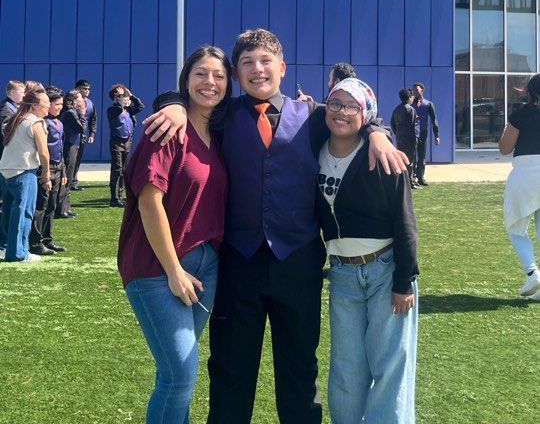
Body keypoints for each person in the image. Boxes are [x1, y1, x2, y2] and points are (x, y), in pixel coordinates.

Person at [144, 28, 407, 424]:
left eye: (265, 61)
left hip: (298, 264)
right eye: (246, 63)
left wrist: (378, 133)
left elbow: (352, 116)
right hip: (237, 264)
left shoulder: (314, 117)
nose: (257, 69)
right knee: (231, 369)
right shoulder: (222, 115)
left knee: (299, 369)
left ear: (282, 68)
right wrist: (174, 104)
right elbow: (193, 97)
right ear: (236, 73)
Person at [117, 46, 231, 424]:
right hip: (157, 266)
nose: (209, 82)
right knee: (180, 372)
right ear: (186, 80)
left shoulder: (218, 133)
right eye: (201, 73)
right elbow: (150, 202)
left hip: (206, 265)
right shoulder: (167, 129)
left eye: (218, 75)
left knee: (176, 373)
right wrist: (173, 270)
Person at [317, 78, 419, 424]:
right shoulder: (313, 145)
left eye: (351, 106)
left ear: (366, 113)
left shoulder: (383, 154)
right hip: (343, 274)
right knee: (346, 370)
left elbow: (405, 220)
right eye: (334, 103)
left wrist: (404, 280)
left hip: (386, 270)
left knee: (389, 368)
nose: (341, 112)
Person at [499, 73, 540, 301]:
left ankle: (532, 271)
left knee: (516, 227)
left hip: (525, 174)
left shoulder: (521, 114)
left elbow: (505, 148)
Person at [0, 88, 51, 262]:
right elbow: (44, 152)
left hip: (6, 171)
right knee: (24, 213)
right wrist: (46, 175)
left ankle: (7, 248)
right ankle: (18, 253)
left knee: (9, 212)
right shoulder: (35, 122)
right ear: (35, 105)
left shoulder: (17, 118)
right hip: (23, 172)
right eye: (46, 103)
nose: (49, 106)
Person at [29, 87, 68, 255]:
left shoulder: (59, 122)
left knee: (52, 204)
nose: (60, 107)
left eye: (61, 104)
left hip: (58, 167)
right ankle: (36, 243)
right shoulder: (42, 122)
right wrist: (45, 172)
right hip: (46, 167)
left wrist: (64, 171)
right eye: (56, 104)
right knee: (41, 205)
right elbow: (42, 149)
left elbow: (61, 147)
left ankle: (47, 239)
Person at [107, 84, 144, 207]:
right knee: (117, 169)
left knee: (124, 169)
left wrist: (132, 96)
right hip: (116, 142)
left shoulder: (128, 110)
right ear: (116, 98)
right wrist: (119, 97)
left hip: (127, 142)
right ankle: (114, 197)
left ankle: (121, 195)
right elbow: (118, 109)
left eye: (125, 97)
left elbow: (140, 106)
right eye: (122, 97)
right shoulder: (112, 110)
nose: (125, 99)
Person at [0, 79, 26, 249]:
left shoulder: (13, 108)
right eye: (21, 92)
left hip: (10, 161)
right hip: (7, 161)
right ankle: (3, 241)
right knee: (6, 201)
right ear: (12, 93)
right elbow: (6, 134)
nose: (24, 95)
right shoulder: (6, 109)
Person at [57, 89, 85, 219]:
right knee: (67, 177)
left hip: (73, 144)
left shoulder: (70, 112)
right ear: (74, 101)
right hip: (69, 146)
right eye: (79, 99)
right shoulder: (71, 113)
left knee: (69, 175)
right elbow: (81, 128)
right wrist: (82, 114)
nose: (81, 101)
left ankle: (65, 208)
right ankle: (62, 209)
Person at [411, 82, 440, 186]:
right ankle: (413, 177)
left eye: (416, 90)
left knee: (422, 156)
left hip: (423, 133)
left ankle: (421, 177)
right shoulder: (410, 104)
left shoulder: (428, 104)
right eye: (413, 90)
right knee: (413, 157)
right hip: (413, 134)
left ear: (422, 90)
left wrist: (437, 135)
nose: (414, 92)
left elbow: (434, 120)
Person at [391, 88, 420, 189]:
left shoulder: (396, 109)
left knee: (402, 160)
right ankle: (410, 182)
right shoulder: (411, 110)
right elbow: (413, 126)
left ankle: (402, 181)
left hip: (400, 138)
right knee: (410, 161)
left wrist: (398, 134)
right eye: (412, 97)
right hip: (410, 139)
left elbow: (392, 124)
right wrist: (416, 138)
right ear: (409, 97)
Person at [72, 79, 97, 190]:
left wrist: (92, 133)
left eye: (88, 89)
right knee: (70, 158)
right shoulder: (70, 101)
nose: (87, 91)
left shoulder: (90, 103)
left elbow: (93, 119)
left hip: (83, 135)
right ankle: (67, 180)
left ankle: (74, 180)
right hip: (71, 134)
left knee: (78, 158)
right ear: (78, 89)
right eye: (84, 88)